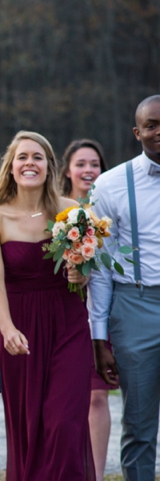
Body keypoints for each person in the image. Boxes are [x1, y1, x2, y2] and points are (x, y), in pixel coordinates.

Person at [0, 131, 95, 480]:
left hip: (68, 324)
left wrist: (81, 275)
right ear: (11, 166)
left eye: (37, 157)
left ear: (50, 166)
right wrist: (6, 329)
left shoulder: (73, 212)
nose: (30, 163)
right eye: (22, 157)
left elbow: (85, 269)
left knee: (65, 423)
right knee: (29, 428)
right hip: (20, 330)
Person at [90, 95, 160, 481]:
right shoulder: (111, 184)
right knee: (138, 423)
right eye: (151, 124)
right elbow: (99, 266)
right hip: (135, 305)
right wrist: (99, 338)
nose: (159, 131)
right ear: (137, 132)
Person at [59, 138, 112, 481]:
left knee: (96, 398)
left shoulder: (110, 206)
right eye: (81, 164)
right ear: (67, 170)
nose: (88, 170)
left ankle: (97, 473)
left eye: (95, 164)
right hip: (65, 312)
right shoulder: (56, 210)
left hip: (101, 311)